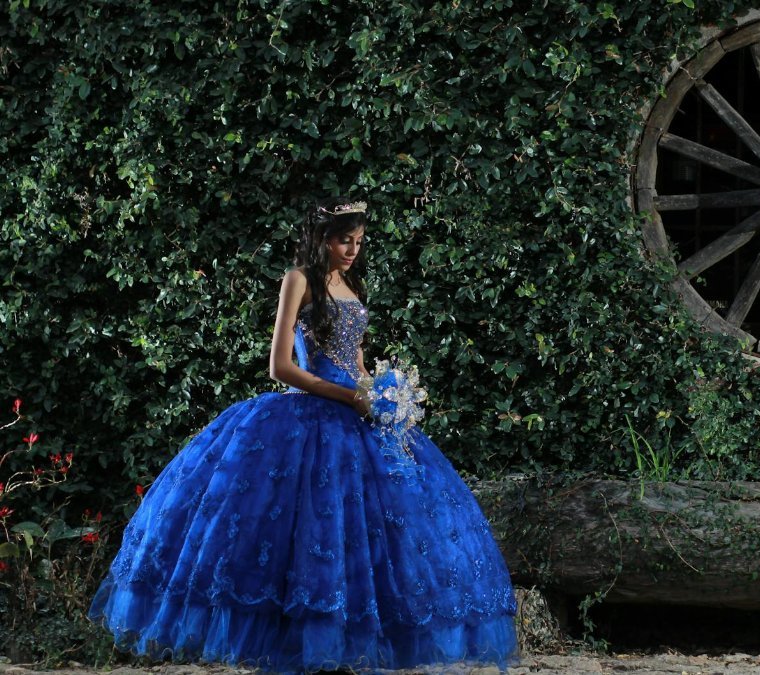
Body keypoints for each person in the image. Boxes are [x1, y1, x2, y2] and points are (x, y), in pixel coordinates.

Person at [89, 197, 519, 673]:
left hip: (356, 418)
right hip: (307, 419)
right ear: (321, 238)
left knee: (379, 532)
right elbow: (280, 366)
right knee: (302, 530)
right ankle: (298, 648)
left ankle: (348, 650)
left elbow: (356, 361)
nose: (352, 250)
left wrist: (383, 395)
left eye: (359, 241)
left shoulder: (351, 284)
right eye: (344, 240)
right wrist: (348, 396)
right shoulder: (298, 279)